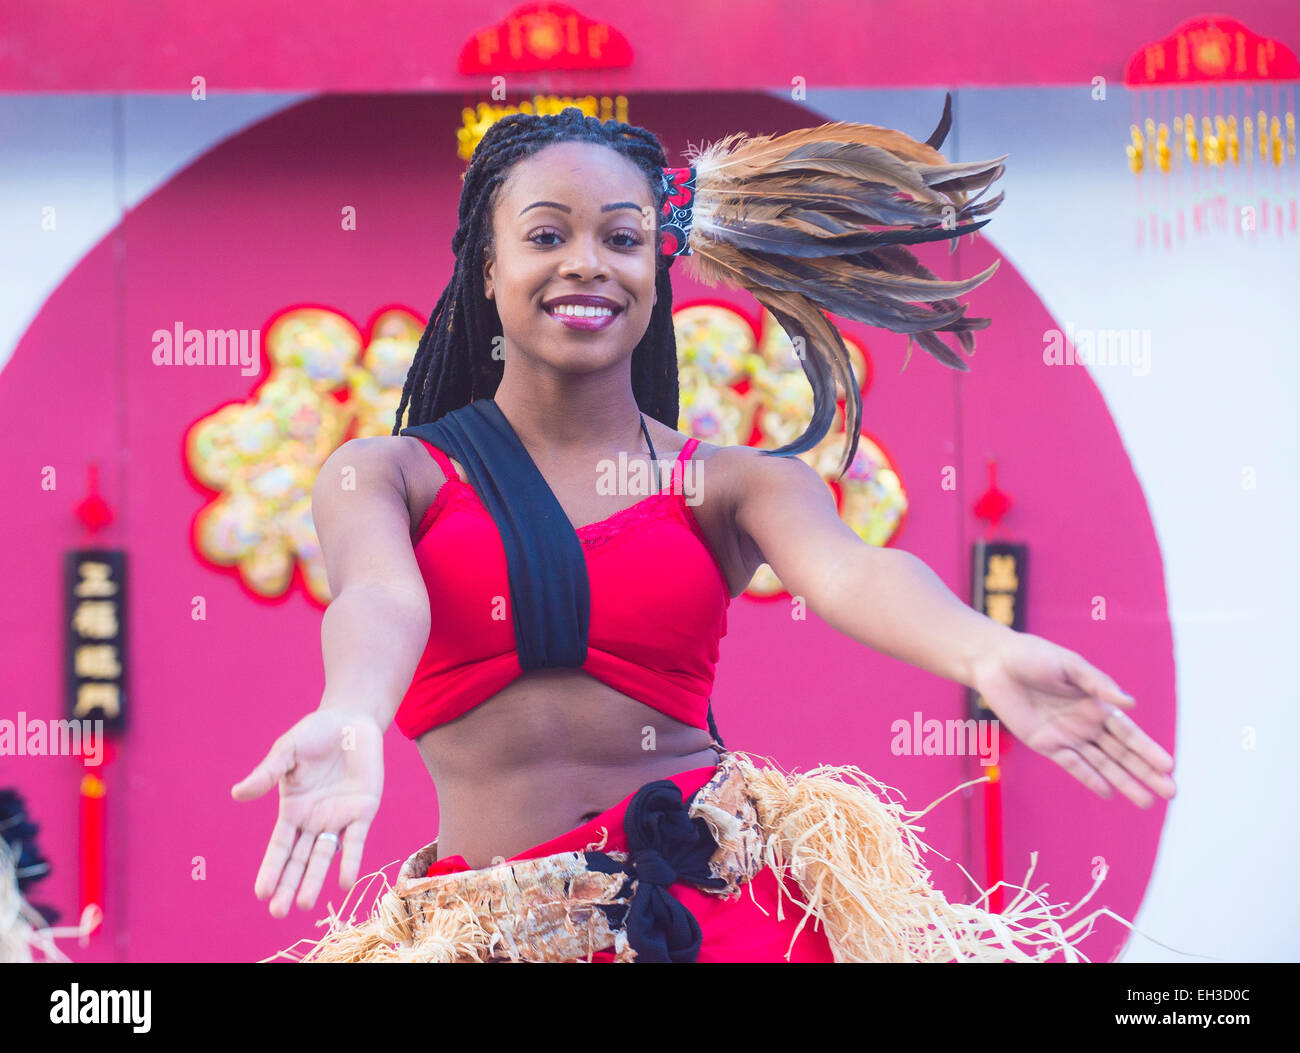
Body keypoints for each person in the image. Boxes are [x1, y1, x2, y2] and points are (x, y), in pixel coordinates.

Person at [232, 104, 1175, 962]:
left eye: (623, 238)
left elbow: (851, 572)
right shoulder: (387, 473)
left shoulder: (735, 483)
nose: (587, 263)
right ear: (487, 264)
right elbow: (380, 597)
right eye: (547, 235)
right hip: (488, 935)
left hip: (718, 918)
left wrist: (984, 649)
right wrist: (351, 710)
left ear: (656, 267)